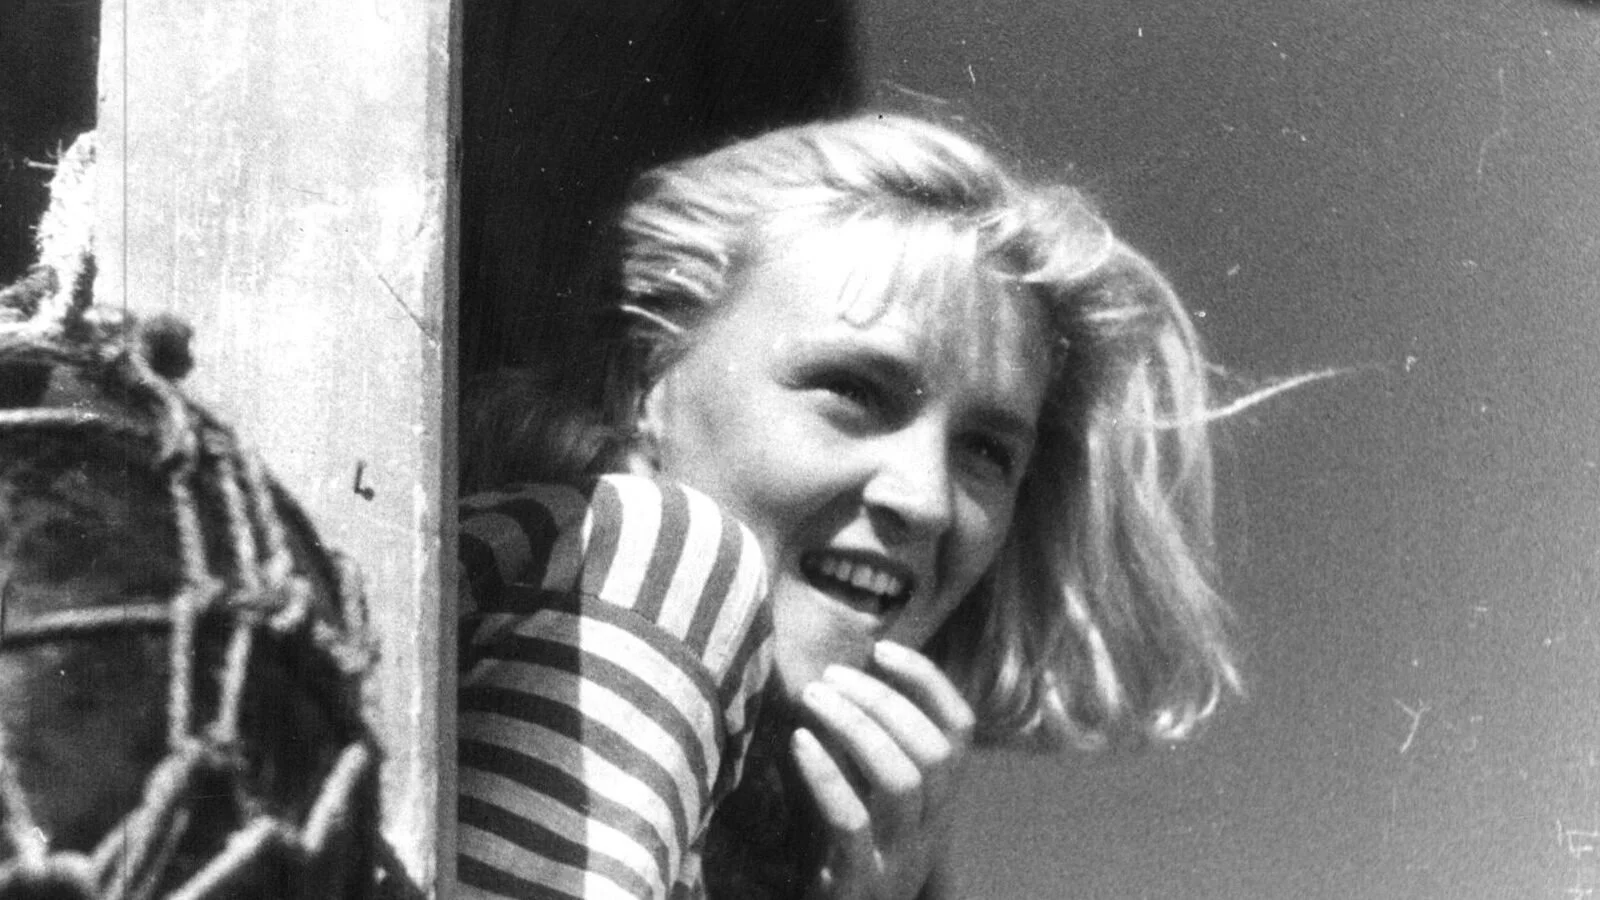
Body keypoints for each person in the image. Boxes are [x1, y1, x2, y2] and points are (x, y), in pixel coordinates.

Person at [457, 112, 1243, 900]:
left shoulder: (826, 831)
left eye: (985, 451)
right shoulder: (653, 552)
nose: (927, 501)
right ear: (644, 380)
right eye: (854, 391)